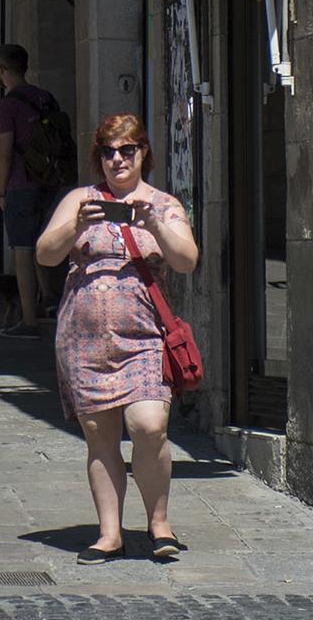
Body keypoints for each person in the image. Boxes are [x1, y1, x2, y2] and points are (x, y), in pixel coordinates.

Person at [37, 114, 199, 563]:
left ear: (143, 152)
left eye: (126, 150)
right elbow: (45, 254)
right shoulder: (80, 200)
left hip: (144, 336)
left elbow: (187, 260)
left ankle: (159, 522)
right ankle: (109, 534)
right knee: (99, 435)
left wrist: (155, 225)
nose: (117, 159)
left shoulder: (162, 204)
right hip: (84, 339)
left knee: (149, 426)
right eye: (108, 151)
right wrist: (75, 226)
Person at [0, 43, 65, 339]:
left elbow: (5, 152)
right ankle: (48, 298)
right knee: (42, 241)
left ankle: (28, 320)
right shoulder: (45, 97)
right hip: (49, 182)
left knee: (22, 250)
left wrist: (1, 191)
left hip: (21, 184)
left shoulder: (9, 103)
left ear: (3, 69)